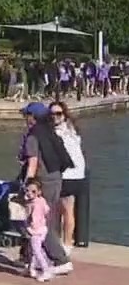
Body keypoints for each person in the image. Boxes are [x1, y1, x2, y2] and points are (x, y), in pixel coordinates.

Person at [18, 102, 74, 275]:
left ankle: (60, 260)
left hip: (42, 183)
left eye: (26, 115)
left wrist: (27, 186)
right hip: (56, 178)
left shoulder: (33, 136)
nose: (24, 119)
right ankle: (30, 261)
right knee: (43, 219)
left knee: (40, 223)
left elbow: (33, 162)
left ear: (33, 117)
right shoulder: (50, 132)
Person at [50, 101, 86, 255]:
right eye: (52, 114)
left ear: (64, 115)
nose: (54, 117)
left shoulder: (60, 132)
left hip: (69, 174)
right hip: (76, 173)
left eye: (58, 114)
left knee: (65, 210)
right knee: (62, 210)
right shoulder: (73, 129)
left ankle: (66, 243)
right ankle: (64, 242)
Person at [22, 178, 54, 283]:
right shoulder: (42, 200)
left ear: (39, 192)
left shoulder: (33, 204)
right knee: (33, 249)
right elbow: (47, 211)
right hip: (43, 229)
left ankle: (46, 271)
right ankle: (31, 269)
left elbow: (32, 219)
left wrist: (29, 229)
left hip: (35, 231)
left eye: (33, 191)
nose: (29, 193)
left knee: (36, 251)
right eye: (27, 191)